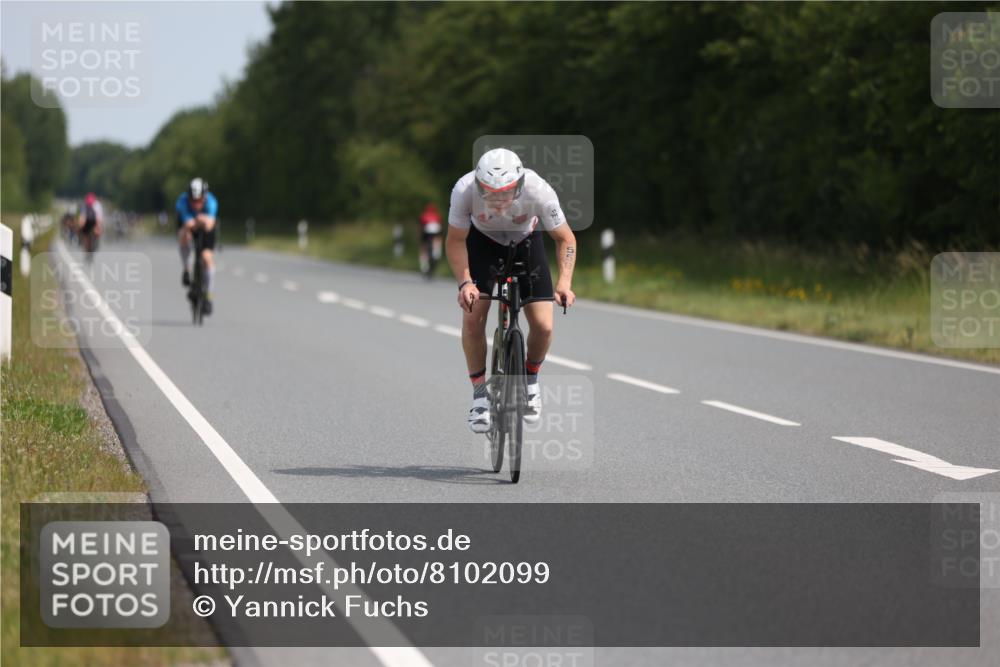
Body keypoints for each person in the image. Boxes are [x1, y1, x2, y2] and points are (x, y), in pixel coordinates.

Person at [445, 148, 577, 433]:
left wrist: (564, 283)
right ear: (479, 185)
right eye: (489, 193)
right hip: (483, 243)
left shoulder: (538, 190)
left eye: (505, 193)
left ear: (518, 186)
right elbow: (455, 240)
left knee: (543, 326)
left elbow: (565, 238)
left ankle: (530, 380)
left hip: (526, 242)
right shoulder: (464, 190)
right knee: (473, 316)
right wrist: (466, 282)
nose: (498, 200)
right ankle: (480, 397)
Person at [176, 177, 219, 314]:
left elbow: (209, 225)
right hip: (189, 226)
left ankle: (208, 297)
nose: (196, 204)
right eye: (192, 200)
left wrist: (201, 221)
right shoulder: (182, 202)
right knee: (184, 235)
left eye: (199, 200)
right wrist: (200, 220)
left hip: (206, 229)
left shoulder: (211, 202)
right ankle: (186, 269)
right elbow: (188, 224)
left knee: (207, 258)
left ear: (204, 198)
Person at [418, 202, 443, 277]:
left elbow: (420, 227)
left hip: (426, 232)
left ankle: (424, 266)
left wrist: (419, 238)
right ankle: (437, 253)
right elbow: (441, 227)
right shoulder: (438, 216)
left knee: (424, 247)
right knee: (437, 241)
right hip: (436, 231)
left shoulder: (423, 216)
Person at [77, 192, 103, 259]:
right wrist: (81, 225)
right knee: (84, 233)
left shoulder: (97, 205)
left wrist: (98, 227)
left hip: (93, 221)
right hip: (88, 222)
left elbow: (99, 218)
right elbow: (82, 217)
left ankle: (95, 241)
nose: (90, 204)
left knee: (96, 231)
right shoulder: (85, 206)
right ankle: (85, 244)